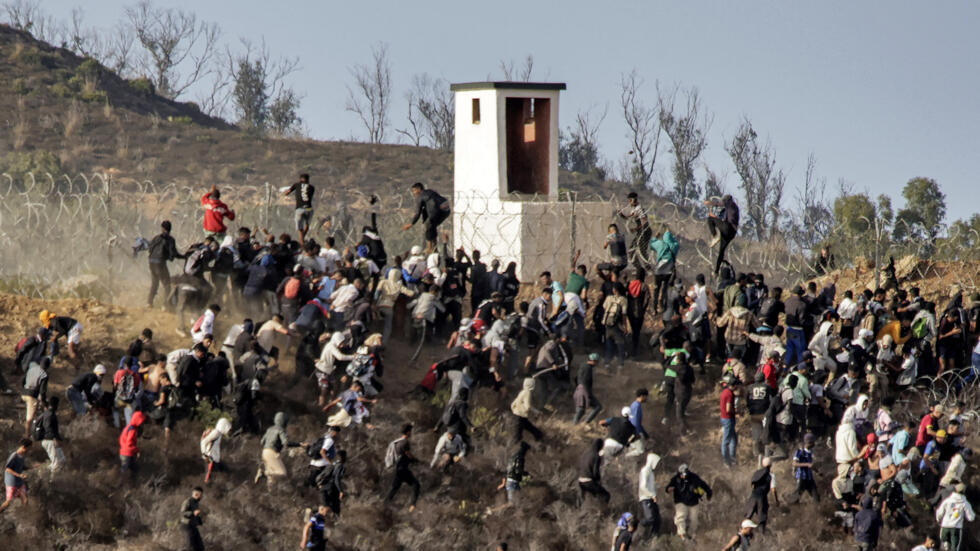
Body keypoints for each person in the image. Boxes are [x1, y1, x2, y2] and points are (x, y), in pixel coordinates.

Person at [254, 412, 303, 487]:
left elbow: (262, 442)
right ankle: (263, 473)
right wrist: (299, 444)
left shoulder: (269, 429)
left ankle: (270, 493)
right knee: (282, 473)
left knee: (271, 479)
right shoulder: (280, 430)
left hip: (264, 451)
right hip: (272, 452)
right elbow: (286, 443)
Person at [664, 464, 712, 541]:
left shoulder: (694, 477)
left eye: (685, 474)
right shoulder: (676, 479)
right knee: (680, 517)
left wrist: (709, 494)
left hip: (693, 502)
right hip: (680, 501)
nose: (683, 476)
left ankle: (690, 535)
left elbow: (704, 485)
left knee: (694, 520)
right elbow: (668, 487)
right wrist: (669, 489)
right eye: (682, 474)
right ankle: (682, 535)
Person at [402, 182, 451, 253]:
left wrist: (410, 224)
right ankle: (434, 247)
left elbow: (417, 213)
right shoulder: (430, 192)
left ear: (419, 189)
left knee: (428, 225)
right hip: (446, 209)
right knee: (432, 225)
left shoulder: (420, 196)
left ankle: (430, 247)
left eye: (414, 190)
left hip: (437, 210)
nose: (414, 193)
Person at [147, 220, 185, 308]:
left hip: (151, 262)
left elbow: (150, 248)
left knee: (155, 283)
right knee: (167, 284)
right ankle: (166, 305)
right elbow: (173, 254)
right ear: (170, 229)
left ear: (162, 228)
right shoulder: (170, 239)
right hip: (160, 263)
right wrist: (184, 257)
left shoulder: (156, 238)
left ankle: (149, 303)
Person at [385, 423, 421, 512]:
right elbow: (408, 454)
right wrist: (416, 461)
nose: (411, 433)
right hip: (403, 469)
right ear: (408, 432)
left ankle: (384, 505)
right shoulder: (405, 442)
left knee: (395, 488)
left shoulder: (397, 442)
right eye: (410, 431)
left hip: (397, 469)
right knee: (416, 485)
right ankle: (412, 506)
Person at [704, 194, 739, 275]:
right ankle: (716, 271)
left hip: (728, 228)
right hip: (732, 233)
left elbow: (719, 203)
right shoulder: (733, 208)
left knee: (710, 218)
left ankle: (714, 236)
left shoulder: (730, 204)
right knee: (721, 251)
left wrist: (709, 202)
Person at [936, 482, 975, 551]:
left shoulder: (947, 501)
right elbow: (971, 517)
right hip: (956, 528)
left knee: (944, 541)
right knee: (955, 548)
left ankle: (946, 545)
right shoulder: (965, 503)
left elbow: (939, 512)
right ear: (964, 491)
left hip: (945, 526)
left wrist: (939, 520)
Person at [649, 226, 678, 312]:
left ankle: (654, 307)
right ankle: (663, 305)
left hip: (659, 271)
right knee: (665, 288)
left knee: (656, 289)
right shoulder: (674, 246)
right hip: (668, 272)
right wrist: (672, 238)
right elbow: (676, 243)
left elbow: (651, 243)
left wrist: (656, 237)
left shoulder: (660, 244)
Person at [745, 457, 778, 532]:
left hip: (753, 496)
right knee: (762, 519)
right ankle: (761, 536)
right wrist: (776, 500)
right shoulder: (771, 475)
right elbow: (773, 489)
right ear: (771, 465)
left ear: (762, 464)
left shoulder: (757, 473)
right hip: (762, 497)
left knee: (748, 516)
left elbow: (752, 485)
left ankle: (742, 532)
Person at [0, 439, 32, 515]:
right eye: (30, 448)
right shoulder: (14, 456)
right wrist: (19, 475)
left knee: (25, 500)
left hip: (19, 482)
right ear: (24, 447)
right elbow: (8, 469)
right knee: (8, 502)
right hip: (11, 482)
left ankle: (25, 517)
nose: (31, 449)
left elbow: (22, 467)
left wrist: (32, 467)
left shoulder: (23, 456)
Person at [21, 356, 50, 438]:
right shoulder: (44, 374)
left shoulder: (32, 368)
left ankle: (34, 427)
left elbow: (23, 380)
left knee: (35, 408)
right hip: (31, 395)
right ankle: (27, 435)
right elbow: (42, 391)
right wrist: (44, 402)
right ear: (47, 366)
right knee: (29, 417)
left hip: (24, 393)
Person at [284, 173, 315, 244]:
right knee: (307, 225)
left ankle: (301, 243)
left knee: (300, 228)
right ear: (308, 180)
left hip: (300, 209)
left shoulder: (296, 185)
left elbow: (287, 193)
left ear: (300, 179)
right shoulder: (312, 187)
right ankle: (302, 240)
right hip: (309, 209)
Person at [573, 353, 603, 424]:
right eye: (597, 361)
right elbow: (585, 381)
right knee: (598, 406)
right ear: (593, 361)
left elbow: (576, 378)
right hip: (584, 390)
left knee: (580, 410)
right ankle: (585, 423)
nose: (597, 363)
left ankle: (575, 425)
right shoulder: (588, 368)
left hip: (578, 389)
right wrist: (588, 394)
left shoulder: (583, 366)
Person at [578, 439, 610, 506]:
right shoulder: (596, 456)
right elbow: (595, 472)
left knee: (591, 497)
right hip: (589, 481)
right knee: (606, 495)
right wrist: (598, 480)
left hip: (580, 481)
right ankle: (602, 512)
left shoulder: (585, 453)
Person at [200, 417, 232, 484]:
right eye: (228, 428)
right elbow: (204, 442)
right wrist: (205, 454)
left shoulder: (218, 434)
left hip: (215, 460)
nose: (228, 430)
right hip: (211, 459)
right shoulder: (216, 432)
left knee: (224, 473)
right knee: (208, 480)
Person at [37, 396, 64, 474]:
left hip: (49, 440)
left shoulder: (48, 413)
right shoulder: (49, 414)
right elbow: (48, 427)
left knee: (62, 460)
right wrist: (54, 438)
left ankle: (44, 470)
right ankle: (50, 479)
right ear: (56, 405)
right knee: (56, 464)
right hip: (50, 440)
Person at [638, 452, 661, 539]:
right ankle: (637, 525)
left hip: (651, 498)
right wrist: (652, 495)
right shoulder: (645, 470)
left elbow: (649, 485)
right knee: (650, 518)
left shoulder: (651, 472)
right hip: (646, 498)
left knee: (657, 520)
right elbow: (643, 486)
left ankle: (653, 539)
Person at [118, 411, 146, 479]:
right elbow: (129, 443)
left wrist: (123, 448)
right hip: (128, 454)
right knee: (127, 471)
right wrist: (137, 450)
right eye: (141, 422)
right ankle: (123, 485)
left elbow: (121, 439)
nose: (142, 424)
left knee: (133, 470)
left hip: (123, 453)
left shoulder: (127, 427)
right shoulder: (132, 430)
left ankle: (131, 485)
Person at [792, 433, 819, 502]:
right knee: (795, 498)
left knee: (816, 498)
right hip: (802, 478)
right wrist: (807, 464)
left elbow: (811, 465)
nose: (814, 444)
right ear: (809, 442)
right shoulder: (799, 451)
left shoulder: (810, 452)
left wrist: (817, 472)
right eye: (813, 442)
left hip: (810, 478)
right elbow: (794, 463)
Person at [720, 375, 738, 467]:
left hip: (724, 418)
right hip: (728, 418)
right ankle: (727, 461)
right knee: (726, 441)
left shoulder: (724, 392)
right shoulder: (730, 394)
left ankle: (732, 458)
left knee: (734, 439)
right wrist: (736, 412)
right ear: (733, 385)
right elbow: (728, 408)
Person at [179, 486, 206, 551]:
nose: (201, 497)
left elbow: (195, 515)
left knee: (200, 547)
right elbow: (182, 513)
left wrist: (199, 520)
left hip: (193, 526)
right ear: (197, 494)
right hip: (186, 526)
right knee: (191, 547)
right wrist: (193, 513)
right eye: (201, 495)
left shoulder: (196, 503)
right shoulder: (187, 501)